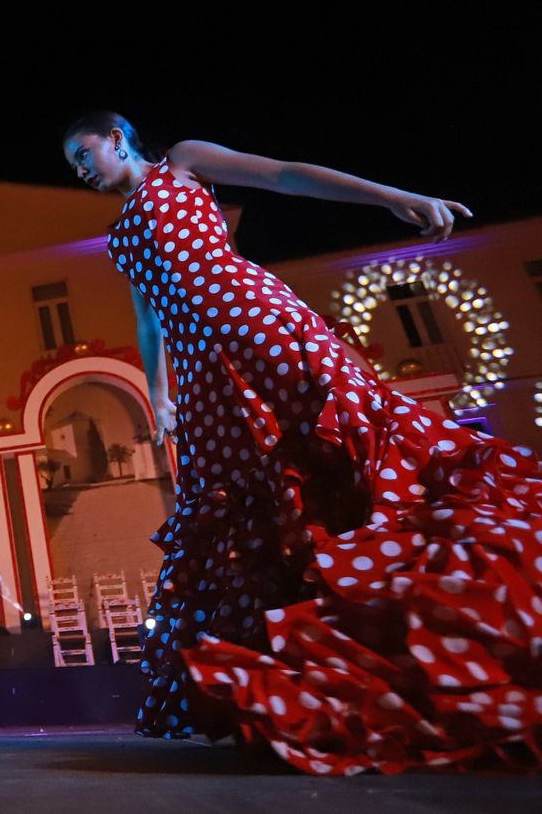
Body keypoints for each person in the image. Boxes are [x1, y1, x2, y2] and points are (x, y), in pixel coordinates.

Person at [63, 111, 540, 774]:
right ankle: (336, 664)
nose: (81, 172)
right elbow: (149, 317)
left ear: (116, 137)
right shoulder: (122, 235)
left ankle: (435, 617)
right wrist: (158, 390)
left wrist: (392, 197)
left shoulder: (183, 164)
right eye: (73, 167)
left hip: (256, 324)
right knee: (259, 502)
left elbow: (284, 175)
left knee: (339, 452)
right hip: (204, 375)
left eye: (84, 154)